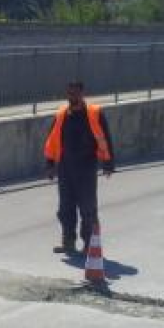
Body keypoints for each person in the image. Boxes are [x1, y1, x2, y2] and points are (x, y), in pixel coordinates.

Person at [44, 81, 115, 255]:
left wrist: (108, 163)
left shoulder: (94, 113)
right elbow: (52, 141)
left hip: (86, 168)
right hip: (65, 168)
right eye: (69, 93)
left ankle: (90, 244)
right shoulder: (61, 115)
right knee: (65, 208)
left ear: (82, 93)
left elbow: (105, 138)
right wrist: (50, 164)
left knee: (87, 208)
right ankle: (68, 242)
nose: (72, 97)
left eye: (75, 93)